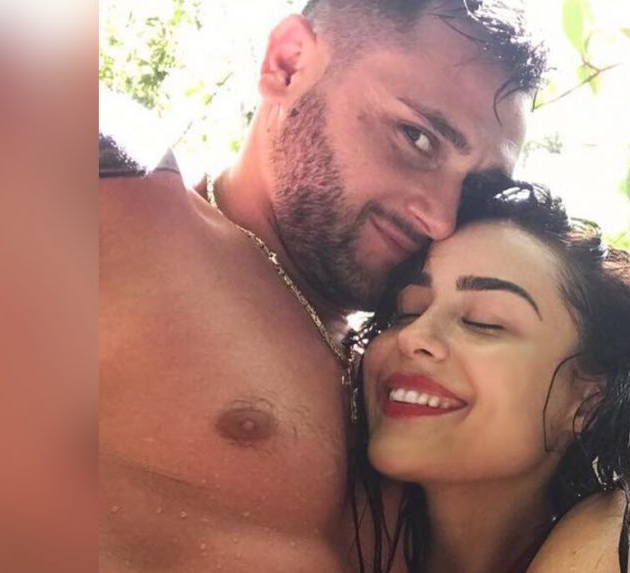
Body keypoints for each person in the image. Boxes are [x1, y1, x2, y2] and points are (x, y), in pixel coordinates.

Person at [99, 1, 546, 571]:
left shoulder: (420, 376)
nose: (441, 219)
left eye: (476, 189)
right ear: (288, 65)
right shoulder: (135, 202)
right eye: (418, 138)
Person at [348, 181, 630, 572]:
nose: (413, 336)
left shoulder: (623, 544)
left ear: (587, 403)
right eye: (406, 312)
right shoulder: (323, 512)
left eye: (484, 322)